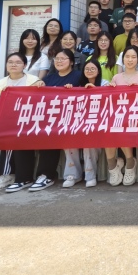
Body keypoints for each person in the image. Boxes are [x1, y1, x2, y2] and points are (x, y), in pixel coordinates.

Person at [17, 49, 82, 193]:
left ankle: (46, 175)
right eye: (57, 59)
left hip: (68, 118)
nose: (59, 61)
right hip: (48, 116)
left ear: (72, 62)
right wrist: (38, 85)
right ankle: (23, 178)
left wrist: (74, 89)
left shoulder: (78, 76)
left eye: (63, 59)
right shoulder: (49, 78)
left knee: (49, 134)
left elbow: (86, 94)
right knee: (22, 134)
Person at [0, 53, 44, 192]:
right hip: (6, 120)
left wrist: (39, 85)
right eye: (10, 62)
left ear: (24, 65)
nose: (13, 64)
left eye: (18, 62)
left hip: (28, 121)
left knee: (9, 137)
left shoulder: (33, 80)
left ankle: (7, 174)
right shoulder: (0, 84)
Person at [107, 46, 138, 186]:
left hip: (137, 117)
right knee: (107, 128)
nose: (130, 60)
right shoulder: (116, 77)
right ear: (123, 59)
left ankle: (130, 163)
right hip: (119, 115)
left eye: (133, 57)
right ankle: (112, 166)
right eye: (127, 57)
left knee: (122, 127)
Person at [61, 60, 106, 188]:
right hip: (78, 122)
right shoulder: (77, 84)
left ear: (98, 71)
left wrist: (95, 90)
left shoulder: (105, 83)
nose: (89, 71)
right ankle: (73, 175)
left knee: (89, 140)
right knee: (68, 138)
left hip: (97, 123)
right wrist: (69, 89)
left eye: (93, 68)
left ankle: (90, 175)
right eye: (87, 68)